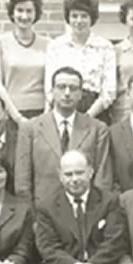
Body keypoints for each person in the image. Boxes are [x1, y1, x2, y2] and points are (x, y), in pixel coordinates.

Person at [18, 67, 112, 209]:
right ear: (52, 92)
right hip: (43, 214)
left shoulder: (97, 129)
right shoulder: (30, 129)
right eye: (61, 87)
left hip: (86, 213)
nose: (67, 93)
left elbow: (102, 180)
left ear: (81, 94)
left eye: (73, 88)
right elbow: (22, 181)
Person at [45, 0, 116, 123]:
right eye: (74, 16)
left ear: (92, 18)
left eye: (84, 16)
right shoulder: (56, 46)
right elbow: (49, 87)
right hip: (63, 108)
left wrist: (87, 117)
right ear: (68, 18)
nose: (79, 21)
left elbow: (109, 91)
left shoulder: (105, 47)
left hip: (96, 110)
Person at [0, 0, 49, 124]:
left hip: (42, 113)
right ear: (12, 13)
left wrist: (46, 115)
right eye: (20, 10)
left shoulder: (48, 44)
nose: (24, 16)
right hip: (10, 113)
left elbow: (51, 83)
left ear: (36, 14)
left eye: (29, 11)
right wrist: (17, 117)